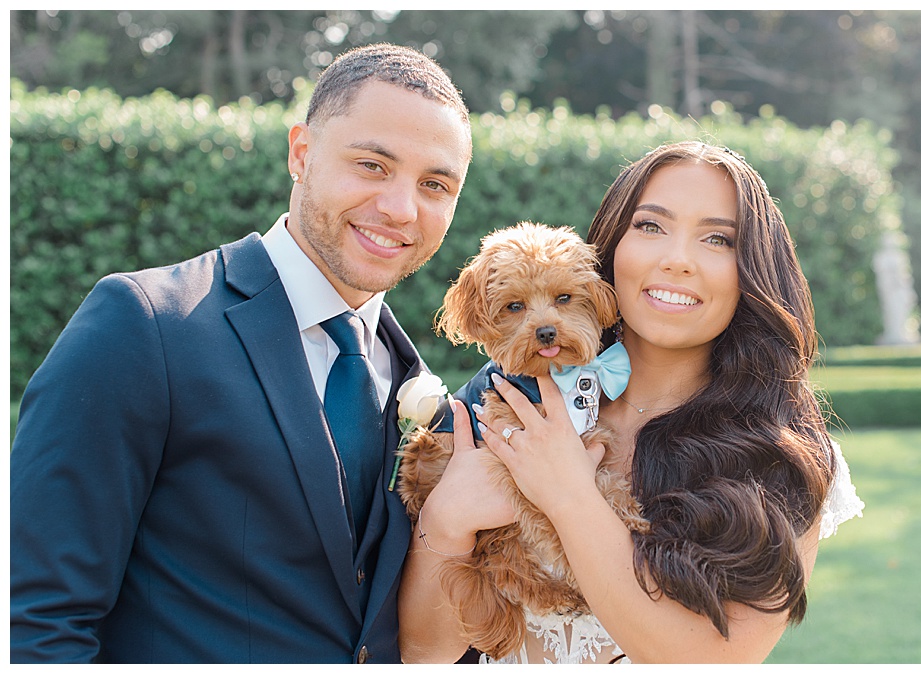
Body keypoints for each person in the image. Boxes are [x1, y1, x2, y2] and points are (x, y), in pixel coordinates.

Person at [10, 43, 472, 664]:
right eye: (371, 166)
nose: (400, 208)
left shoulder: (415, 383)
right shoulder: (145, 325)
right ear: (301, 154)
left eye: (435, 184)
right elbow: (34, 620)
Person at [398, 141, 864, 664]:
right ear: (609, 250)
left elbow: (710, 661)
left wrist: (569, 493)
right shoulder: (509, 401)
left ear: (752, 270)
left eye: (717, 238)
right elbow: (422, 655)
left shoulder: (783, 456)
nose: (677, 260)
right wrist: (448, 518)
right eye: (650, 226)